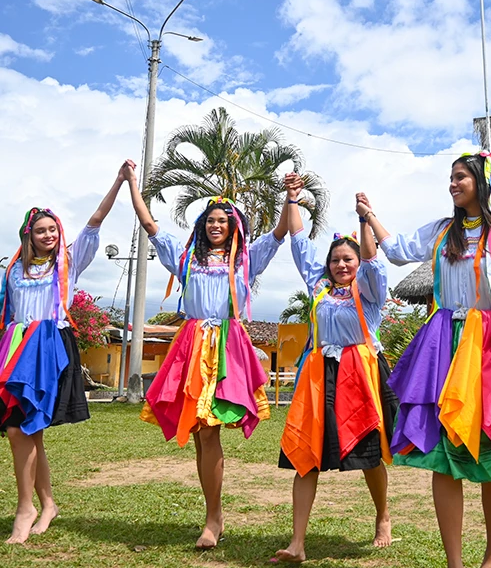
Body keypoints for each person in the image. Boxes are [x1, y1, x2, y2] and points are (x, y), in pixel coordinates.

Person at [357, 150, 491, 568]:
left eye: (461, 177)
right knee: (442, 454)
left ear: (482, 181)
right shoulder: (442, 230)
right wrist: (369, 215)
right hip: (442, 344)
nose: (453, 184)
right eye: (451, 178)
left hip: (490, 343)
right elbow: (398, 251)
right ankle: (454, 562)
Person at [124, 164, 300, 550]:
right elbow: (150, 224)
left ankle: (213, 518)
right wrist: (132, 184)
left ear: (233, 226)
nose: (215, 225)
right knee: (202, 436)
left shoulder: (244, 260)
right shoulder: (186, 257)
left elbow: (281, 233)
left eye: (222, 220)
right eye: (210, 220)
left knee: (209, 431)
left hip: (226, 347)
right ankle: (214, 515)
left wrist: (290, 197)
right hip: (191, 345)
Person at [0, 162, 131, 544]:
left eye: (52, 229)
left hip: (47, 349)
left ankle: (26, 509)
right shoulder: (14, 270)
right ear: (29, 235)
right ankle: (46, 504)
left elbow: (94, 222)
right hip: (14, 348)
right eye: (40, 230)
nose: (48, 235)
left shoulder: (68, 263)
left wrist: (119, 182)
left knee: (18, 427)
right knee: (28, 430)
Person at [275, 176, 398, 564]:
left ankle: (382, 517)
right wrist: (292, 199)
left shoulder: (369, 290)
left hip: (360, 376)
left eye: (348, 259)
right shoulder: (318, 287)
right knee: (305, 454)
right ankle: (297, 542)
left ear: (358, 264)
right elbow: (298, 242)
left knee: (369, 455)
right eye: (335, 260)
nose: (341, 264)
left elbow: (374, 260)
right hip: (319, 376)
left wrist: (364, 219)